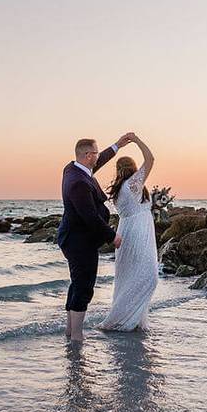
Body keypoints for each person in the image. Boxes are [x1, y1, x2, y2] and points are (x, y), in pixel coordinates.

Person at [56, 133, 134, 342]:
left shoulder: (73, 169)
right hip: (79, 241)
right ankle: (77, 336)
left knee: (77, 282)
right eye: (97, 153)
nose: (98, 157)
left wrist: (117, 146)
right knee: (84, 285)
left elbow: (98, 164)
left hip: (75, 237)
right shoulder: (78, 183)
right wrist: (112, 237)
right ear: (89, 155)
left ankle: (70, 330)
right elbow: (89, 216)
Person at [99, 133, 158, 331]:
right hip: (138, 233)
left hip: (126, 231)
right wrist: (137, 140)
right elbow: (150, 159)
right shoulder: (133, 184)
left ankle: (131, 319)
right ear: (133, 169)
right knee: (148, 276)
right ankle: (122, 320)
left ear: (118, 170)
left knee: (128, 278)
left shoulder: (119, 189)